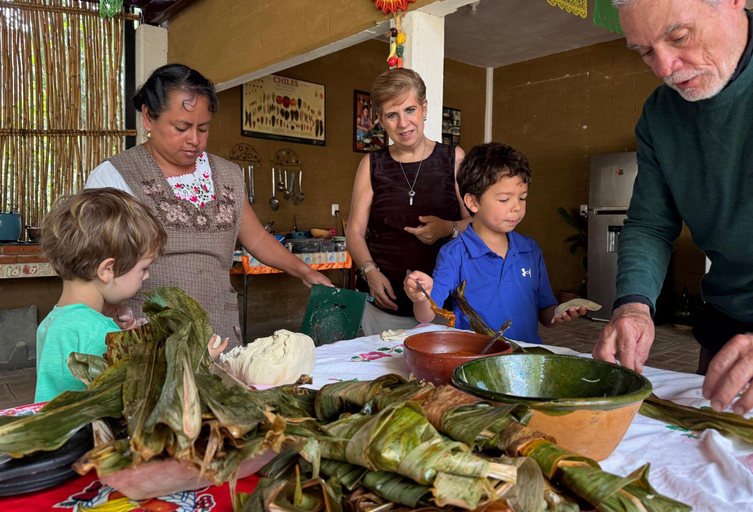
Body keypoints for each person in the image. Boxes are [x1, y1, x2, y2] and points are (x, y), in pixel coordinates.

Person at [592, 0, 753, 415]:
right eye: (645, 52)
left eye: (679, 37)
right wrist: (633, 306)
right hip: (726, 322)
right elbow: (651, 224)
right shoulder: (660, 113)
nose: (665, 68)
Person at [86, 64, 331, 347]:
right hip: (149, 335)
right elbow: (94, 266)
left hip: (219, 333)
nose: (194, 139)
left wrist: (304, 270)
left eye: (203, 128)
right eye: (182, 127)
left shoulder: (227, 174)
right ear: (148, 118)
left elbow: (256, 237)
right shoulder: (115, 176)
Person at [34, 188, 230, 403]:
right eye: (144, 268)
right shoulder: (99, 333)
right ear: (107, 270)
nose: (146, 276)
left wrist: (121, 335)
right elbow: (141, 392)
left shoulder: (53, 321)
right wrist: (196, 362)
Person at [404, 143, 586, 340]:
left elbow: (545, 314)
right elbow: (425, 315)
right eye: (504, 200)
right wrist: (422, 295)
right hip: (477, 361)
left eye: (522, 198)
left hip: (524, 360)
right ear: (473, 202)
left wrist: (561, 312)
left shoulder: (530, 249)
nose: (516, 207)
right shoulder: (455, 253)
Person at [346, 68, 471, 335]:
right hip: (383, 306)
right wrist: (370, 272)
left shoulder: (454, 159)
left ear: (424, 108)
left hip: (442, 304)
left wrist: (449, 228)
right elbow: (355, 231)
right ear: (380, 119)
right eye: (392, 115)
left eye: (410, 110)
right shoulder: (371, 164)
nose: (403, 123)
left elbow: (479, 223)